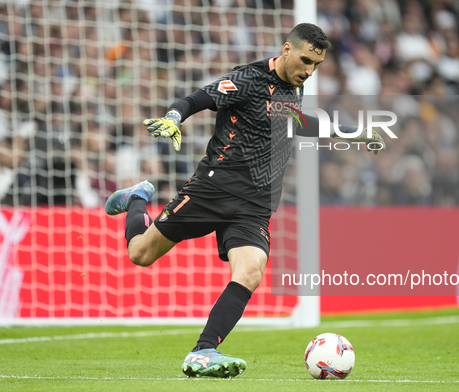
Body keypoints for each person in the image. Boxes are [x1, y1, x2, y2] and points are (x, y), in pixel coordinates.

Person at [104, 23, 384, 378]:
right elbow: (197, 99)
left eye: (316, 65)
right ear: (286, 49)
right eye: (304, 60)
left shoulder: (292, 89)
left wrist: (356, 133)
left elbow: (299, 123)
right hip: (214, 190)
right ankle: (137, 199)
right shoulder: (247, 79)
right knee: (140, 254)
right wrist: (174, 118)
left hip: (255, 206)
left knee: (251, 270)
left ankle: (203, 351)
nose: (308, 71)